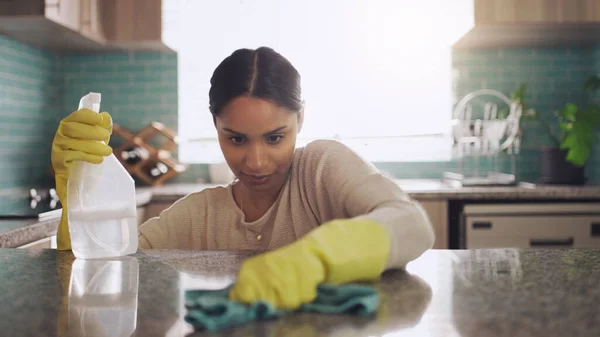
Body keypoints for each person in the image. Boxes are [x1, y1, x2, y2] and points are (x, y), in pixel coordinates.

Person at [51, 46, 435, 310]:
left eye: (275, 137)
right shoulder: (199, 215)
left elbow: (412, 224)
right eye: (235, 139)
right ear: (216, 126)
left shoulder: (321, 169)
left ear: (300, 120)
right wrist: (81, 194)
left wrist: (319, 256)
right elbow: (103, 274)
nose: (255, 162)